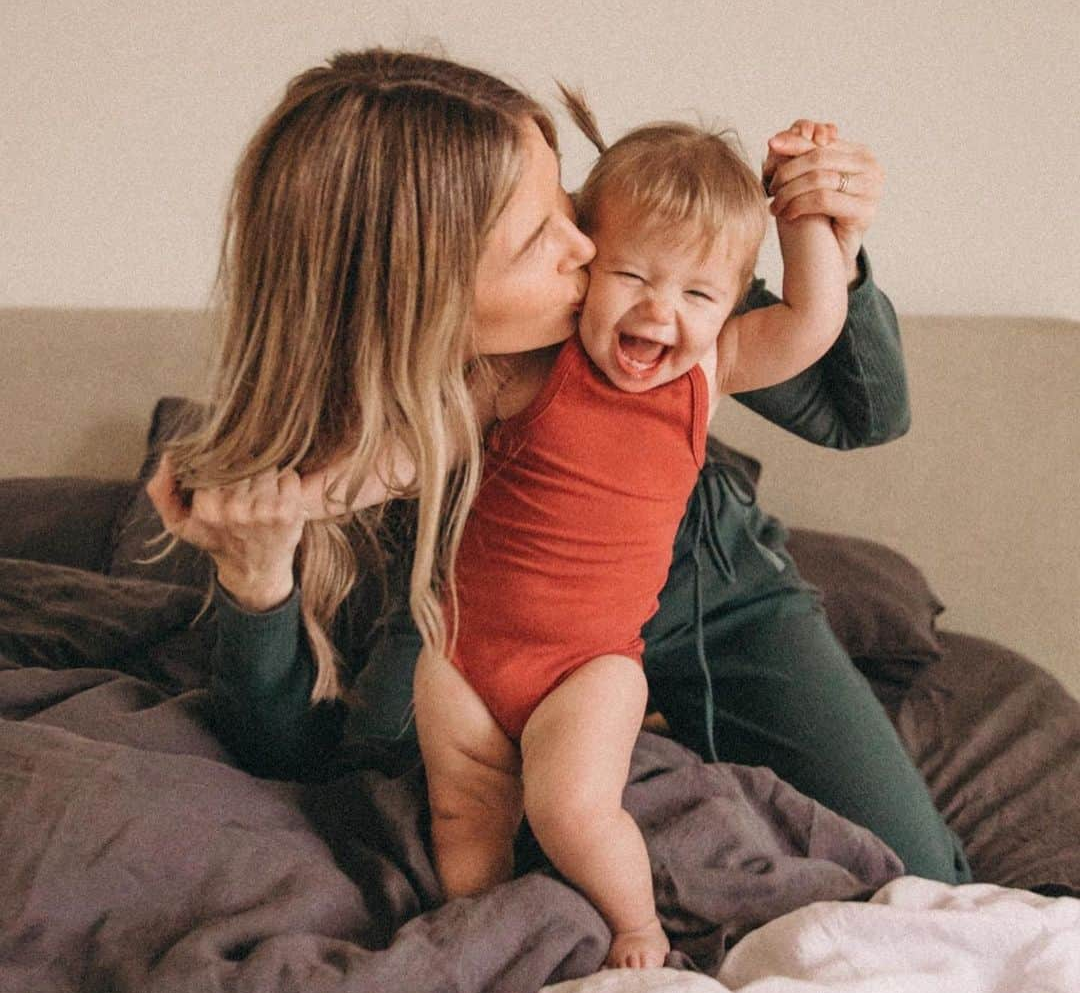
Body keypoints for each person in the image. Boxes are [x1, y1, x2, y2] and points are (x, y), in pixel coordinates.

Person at [147, 48, 970, 893]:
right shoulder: (367, 446)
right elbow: (288, 756)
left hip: (702, 575)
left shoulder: (635, 288)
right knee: (405, 794)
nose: (586, 243)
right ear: (425, 290)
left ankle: (637, 721)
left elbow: (860, 411)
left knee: (922, 880)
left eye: (568, 201)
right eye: (544, 234)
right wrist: (257, 583)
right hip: (483, 609)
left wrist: (830, 236)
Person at [415, 96, 852, 967]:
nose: (662, 311)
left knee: (572, 808)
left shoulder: (709, 371)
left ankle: (635, 924)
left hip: (591, 665)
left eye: (698, 292)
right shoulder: (531, 363)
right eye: (632, 277)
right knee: (463, 814)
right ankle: (484, 933)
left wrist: (803, 216)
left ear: (729, 304)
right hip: (461, 649)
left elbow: (814, 322)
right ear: (584, 263)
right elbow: (416, 430)